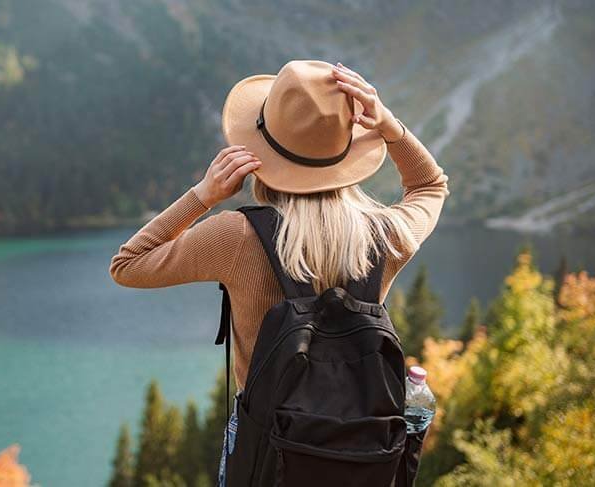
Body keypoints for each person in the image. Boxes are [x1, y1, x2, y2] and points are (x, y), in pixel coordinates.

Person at [109, 60, 449, 486]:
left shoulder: (236, 236)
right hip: (361, 450)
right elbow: (430, 186)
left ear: (260, 154)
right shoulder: (387, 235)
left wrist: (204, 195)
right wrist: (390, 127)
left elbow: (128, 264)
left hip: (268, 451)